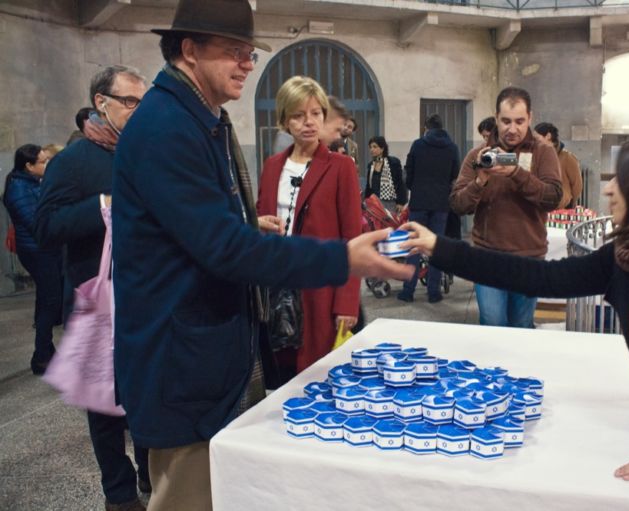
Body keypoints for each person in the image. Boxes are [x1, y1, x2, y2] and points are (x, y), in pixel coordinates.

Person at [110, 2, 410, 509]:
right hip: (182, 365)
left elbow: (212, 231)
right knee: (190, 494)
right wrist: (342, 259)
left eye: (250, 53)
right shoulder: (166, 127)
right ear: (189, 50)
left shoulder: (202, 119)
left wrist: (250, 227)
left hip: (209, 357)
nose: (248, 63)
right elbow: (223, 249)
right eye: (235, 52)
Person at [403, 133, 629, 511]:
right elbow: (540, 278)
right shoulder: (628, 261)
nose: (609, 190)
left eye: (622, 180)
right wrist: (440, 248)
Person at [35, 66, 149, 511]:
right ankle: (119, 494)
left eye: (143, 102)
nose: (139, 111)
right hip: (97, 298)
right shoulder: (73, 161)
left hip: (144, 296)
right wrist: (101, 205)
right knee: (105, 407)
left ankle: (151, 477)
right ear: (101, 102)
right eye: (129, 102)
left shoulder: (143, 151)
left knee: (143, 395)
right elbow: (46, 227)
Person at [257, 75, 363, 375]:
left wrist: (347, 301)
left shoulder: (341, 168)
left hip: (321, 291)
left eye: (316, 113)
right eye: (298, 115)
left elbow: (353, 238)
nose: (309, 122)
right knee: (279, 376)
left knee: (317, 375)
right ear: (284, 121)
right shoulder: (272, 166)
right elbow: (260, 218)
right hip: (277, 287)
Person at [450, 87, 562, 328]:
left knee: (522, 326)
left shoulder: (544, 152)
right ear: (496, 118)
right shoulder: (478, 155)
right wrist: (480, 181)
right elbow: (458, 204)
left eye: (520, 121)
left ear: (530, 118)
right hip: (487, 256)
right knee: (492, 324)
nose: (513, 129)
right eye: (506, 121)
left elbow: (553, 197)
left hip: (528, 257)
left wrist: (516, 173)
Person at [2, 144, 62, 375]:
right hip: (37, 251)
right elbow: (37, 222)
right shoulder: (18, 189)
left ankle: (46, 351)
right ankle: (42, 356)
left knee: (47, 299)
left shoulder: (31, 183)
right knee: (51, 301)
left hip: (44, 248)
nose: (47, 165)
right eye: (43, 162)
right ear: (28, 166)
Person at [398, 114, 460, 304]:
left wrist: (413, 188)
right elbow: (455, 173)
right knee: (436, 247)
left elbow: (409, 171)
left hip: (419, 202)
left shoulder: (418, 145)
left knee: (414, 246)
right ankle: (434, 292)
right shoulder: (452, 147)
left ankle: (408, 291)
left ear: (427, 128)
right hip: (441, 203)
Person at [534, 122, 583, 209]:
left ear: (548, 136)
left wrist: (570, 203)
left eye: (537, 138)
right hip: (538, 208)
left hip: (560, 209)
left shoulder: (567, 157)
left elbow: (577, 185)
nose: (534, 142)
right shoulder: (536, 156)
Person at [364, 135, 408, 214]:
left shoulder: (393, 162)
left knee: (389, 224)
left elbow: (401, 183)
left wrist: (401, 202)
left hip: (389, 202)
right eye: (370, 147)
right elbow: (369, 186)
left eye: (375, 147)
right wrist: (366, 201)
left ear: (382, 148)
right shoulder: (371, 165)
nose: (371, 149)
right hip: (374, 202)